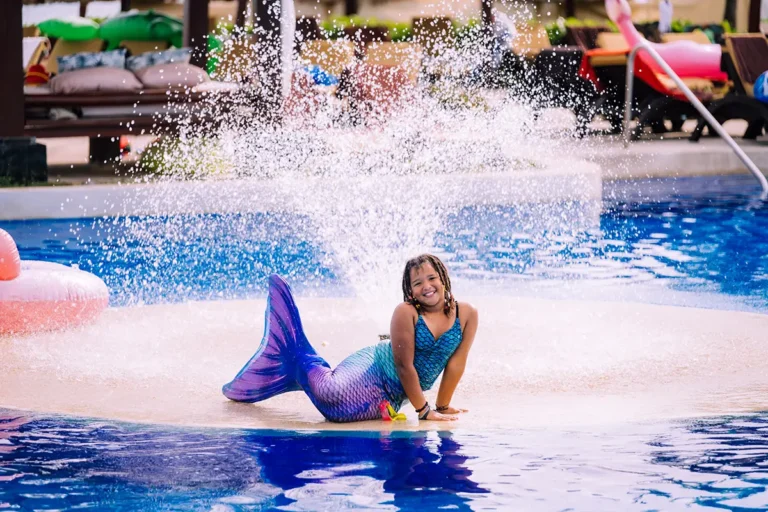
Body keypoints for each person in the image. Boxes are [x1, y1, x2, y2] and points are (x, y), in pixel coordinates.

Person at [222, 254, 479, 423]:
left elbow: (456, 363)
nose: (427, 286)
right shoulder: (406, 312)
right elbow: (404, 365)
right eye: (417, 282)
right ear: (410, 292)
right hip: (374, 367)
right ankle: (297, 358)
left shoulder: (466, 314)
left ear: (444, 279)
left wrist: (442, 407)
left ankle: (298, 367)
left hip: (394, 392)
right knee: (331, 395)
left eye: (432, 278)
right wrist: (423, 411)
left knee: (343, 414)